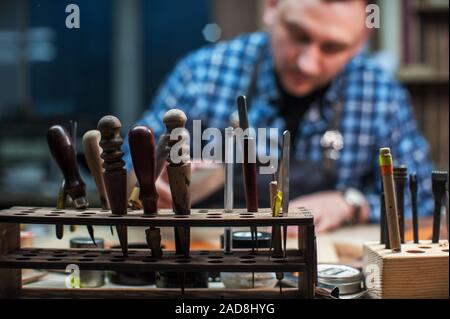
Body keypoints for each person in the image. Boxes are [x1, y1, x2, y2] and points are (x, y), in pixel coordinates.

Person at [123, 0, 433, 233]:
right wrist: (147, 181)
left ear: (362, 41)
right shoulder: (202, 73)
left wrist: (352, 204)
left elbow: (425, 202)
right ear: (271, 7)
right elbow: (128, 167)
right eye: (298, 35)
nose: (308, 64)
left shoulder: (381, 96)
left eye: (333, 47)